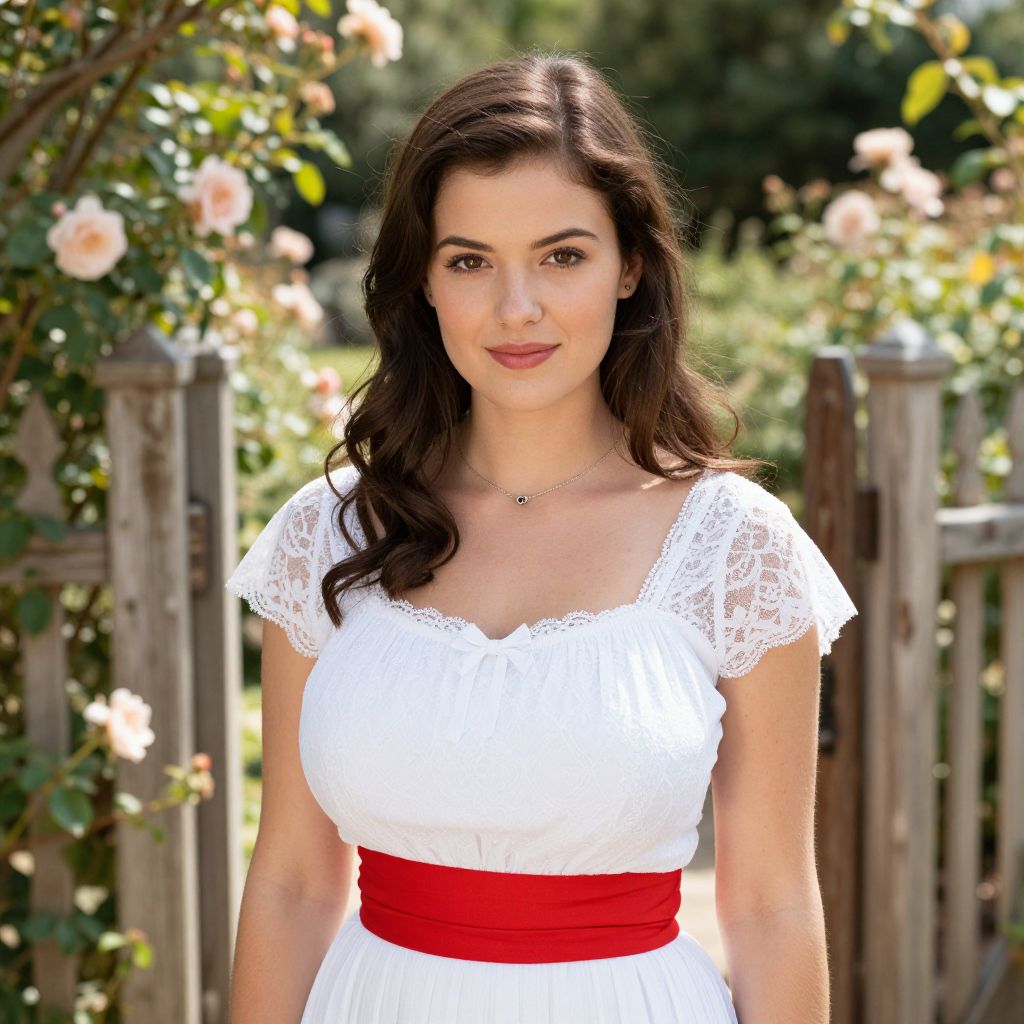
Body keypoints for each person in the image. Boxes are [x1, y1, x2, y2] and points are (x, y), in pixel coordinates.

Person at [225, 50, 858, 1024]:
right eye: (469, 260)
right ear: (424, 282)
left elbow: (772, 904)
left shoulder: (736, 549)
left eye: (561, 255)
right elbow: (292, 882)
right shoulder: (330, 532)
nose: (515, 308)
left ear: (629, 264)